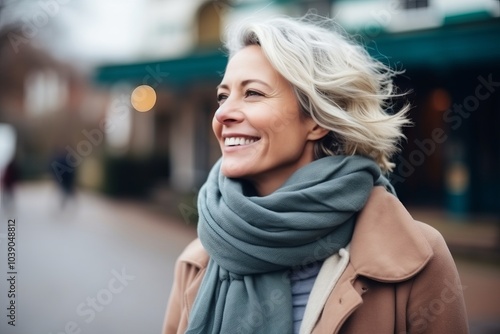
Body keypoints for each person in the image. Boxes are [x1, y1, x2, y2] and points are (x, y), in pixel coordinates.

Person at [162, 15, 468, 334]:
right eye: (223, 96)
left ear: (317, 119)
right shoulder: (197, 262)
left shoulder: (417, 256)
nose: (222, 113)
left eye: (252, 93)